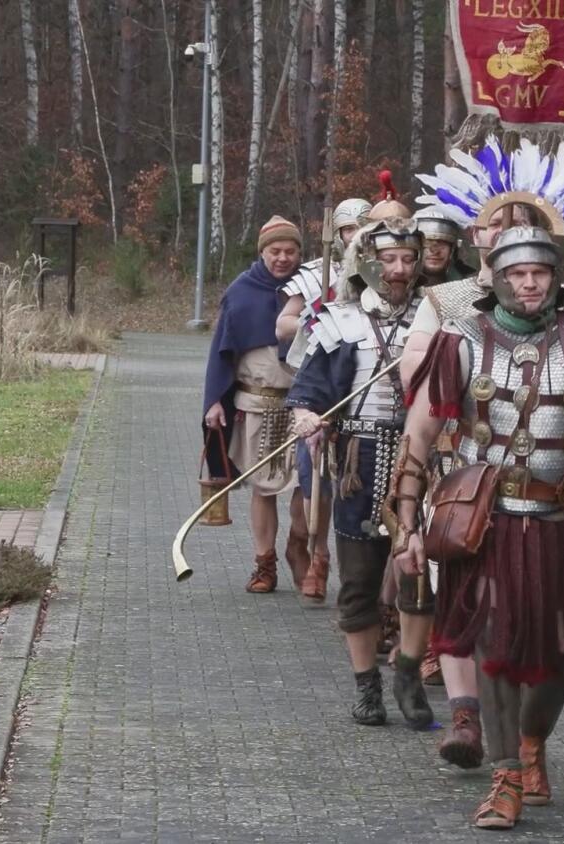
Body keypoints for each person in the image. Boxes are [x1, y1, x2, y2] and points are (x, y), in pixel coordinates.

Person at [391, 224, 564, 830]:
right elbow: (419, 434)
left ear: (555, 278)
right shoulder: (460, 339)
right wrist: (406, 525)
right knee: (494, 643)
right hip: (489, 521)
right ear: (498, 279)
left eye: (539, 273)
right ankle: (505, 776)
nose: (529, 283)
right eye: (517, 274)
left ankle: (532, 740)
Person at [401, 141, 564, 772]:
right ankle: (471, 719)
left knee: (553, 631)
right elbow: (419, 397)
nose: (509, 238)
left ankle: (526, 738)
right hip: (466, 473)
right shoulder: (449, 305)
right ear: (480, 237)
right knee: (475, 609)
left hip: (556, 491)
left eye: (521, 226)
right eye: (497, 226)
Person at [285, 215, 436, 728]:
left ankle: (408, 673)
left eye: (408, 259)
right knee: (359, 580)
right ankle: (366, 684)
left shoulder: (437, 318)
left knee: (420, 577)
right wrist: (306, 417)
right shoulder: (340, 320)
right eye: (389, 259)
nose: (399, 269)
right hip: (360, 460)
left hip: (423, 460)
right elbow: (307, 391)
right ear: (367, 262)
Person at [201, 216, 313, 594]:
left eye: (290, 251)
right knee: (263, 488)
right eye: (275, 251)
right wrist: (214, 401)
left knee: (307, 483)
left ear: (300, 253)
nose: (283, 258)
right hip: (256, 404)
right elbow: (221, 352)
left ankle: (299, 543)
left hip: (304, 407)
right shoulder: (241, 291)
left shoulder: (311, 287)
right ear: (262, 252)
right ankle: (264, 564)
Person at [272, 197, 372, 603]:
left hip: (366, 386)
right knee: (314, 473)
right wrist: (320, 319)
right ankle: (316, 553)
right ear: (339, 233)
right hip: (322, 385)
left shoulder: (386, 272)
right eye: (348, 229)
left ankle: (354, 566)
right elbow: (283, 325)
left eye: (362, 229)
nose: (354, 237)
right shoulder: (318, 273)